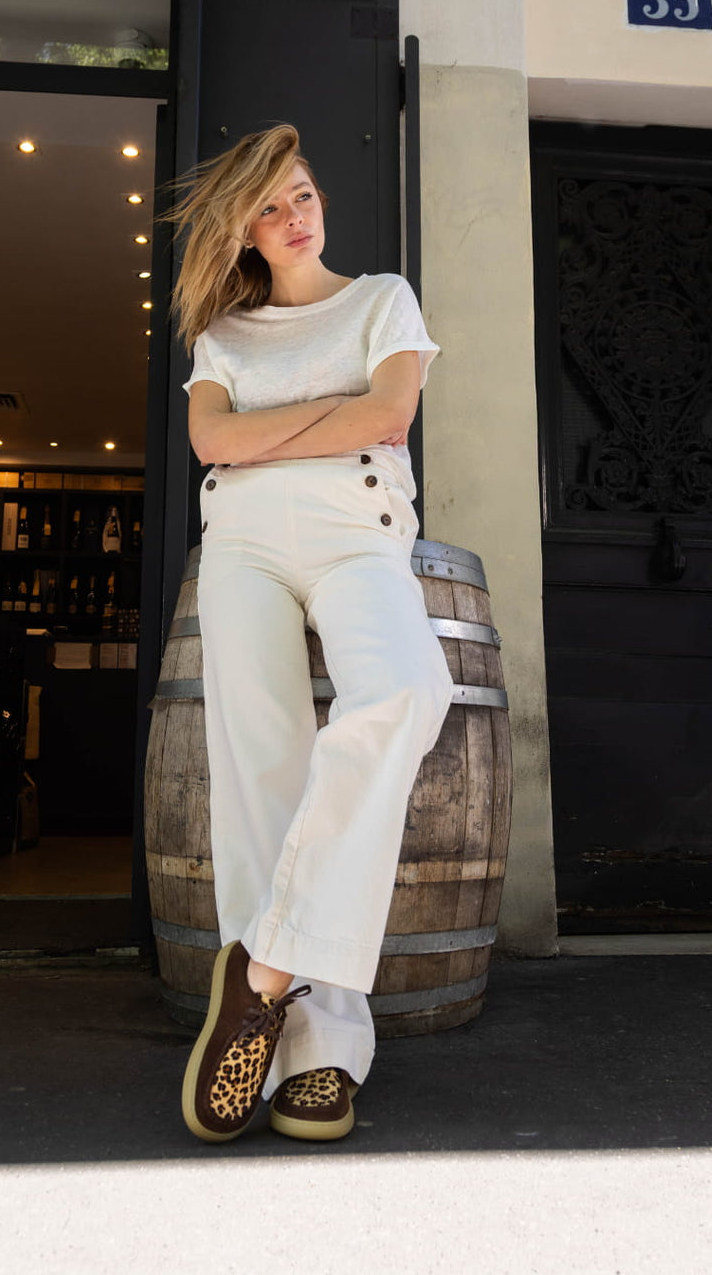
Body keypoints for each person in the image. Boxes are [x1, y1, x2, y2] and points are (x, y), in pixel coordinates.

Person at [169, 124, 454, 1143]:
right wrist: (327, 412)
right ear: (242, 232)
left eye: (301, 195)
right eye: (268, 208)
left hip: (356, 533)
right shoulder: (224, 338)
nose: (293, 218)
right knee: (263, 776)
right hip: (242, 542)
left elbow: (388, 414)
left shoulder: (382, 298)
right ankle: (313, 1049)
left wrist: (272, 436)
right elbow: (211, 439)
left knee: (406, 692)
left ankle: (266, 969)